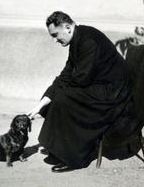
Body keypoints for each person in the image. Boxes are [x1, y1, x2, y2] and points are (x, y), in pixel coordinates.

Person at [27, 11, 132, 173]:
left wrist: (57, 96)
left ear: (67, 27)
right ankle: (61, 148)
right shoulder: (77, 39)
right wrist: (40, 104)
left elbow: (81, 79)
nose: (55, 40)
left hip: (112, 93)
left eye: (55, 35)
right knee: (58, 97)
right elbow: (66, 75)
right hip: (102, 88)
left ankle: (74, 157)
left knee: (65, 98)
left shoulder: (87, 40)